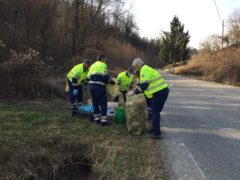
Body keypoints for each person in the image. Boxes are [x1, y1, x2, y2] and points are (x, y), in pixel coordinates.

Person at [128, 58, 169, 139]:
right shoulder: (145, 69)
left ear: (137, 65)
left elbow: (144, 85)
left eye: (135, 67)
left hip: (159, 92)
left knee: (155, 112)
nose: (135, 69)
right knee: (154, 111)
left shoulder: (144, 70)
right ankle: (155, 129)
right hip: (159, 92)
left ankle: (156, 133)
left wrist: (134, 92)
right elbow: (141, 84)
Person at [87, 54, 115, 126]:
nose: (105, 61)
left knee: (95, 102)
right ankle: (103, 121)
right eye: (105, 59)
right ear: (102, 59)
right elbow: (105, 76)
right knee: (103, 103)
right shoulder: (103, 65)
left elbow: (88, 76)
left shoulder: (92, 65)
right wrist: (110, 81)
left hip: (91, 86)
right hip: (99, 86)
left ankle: (97, 119)